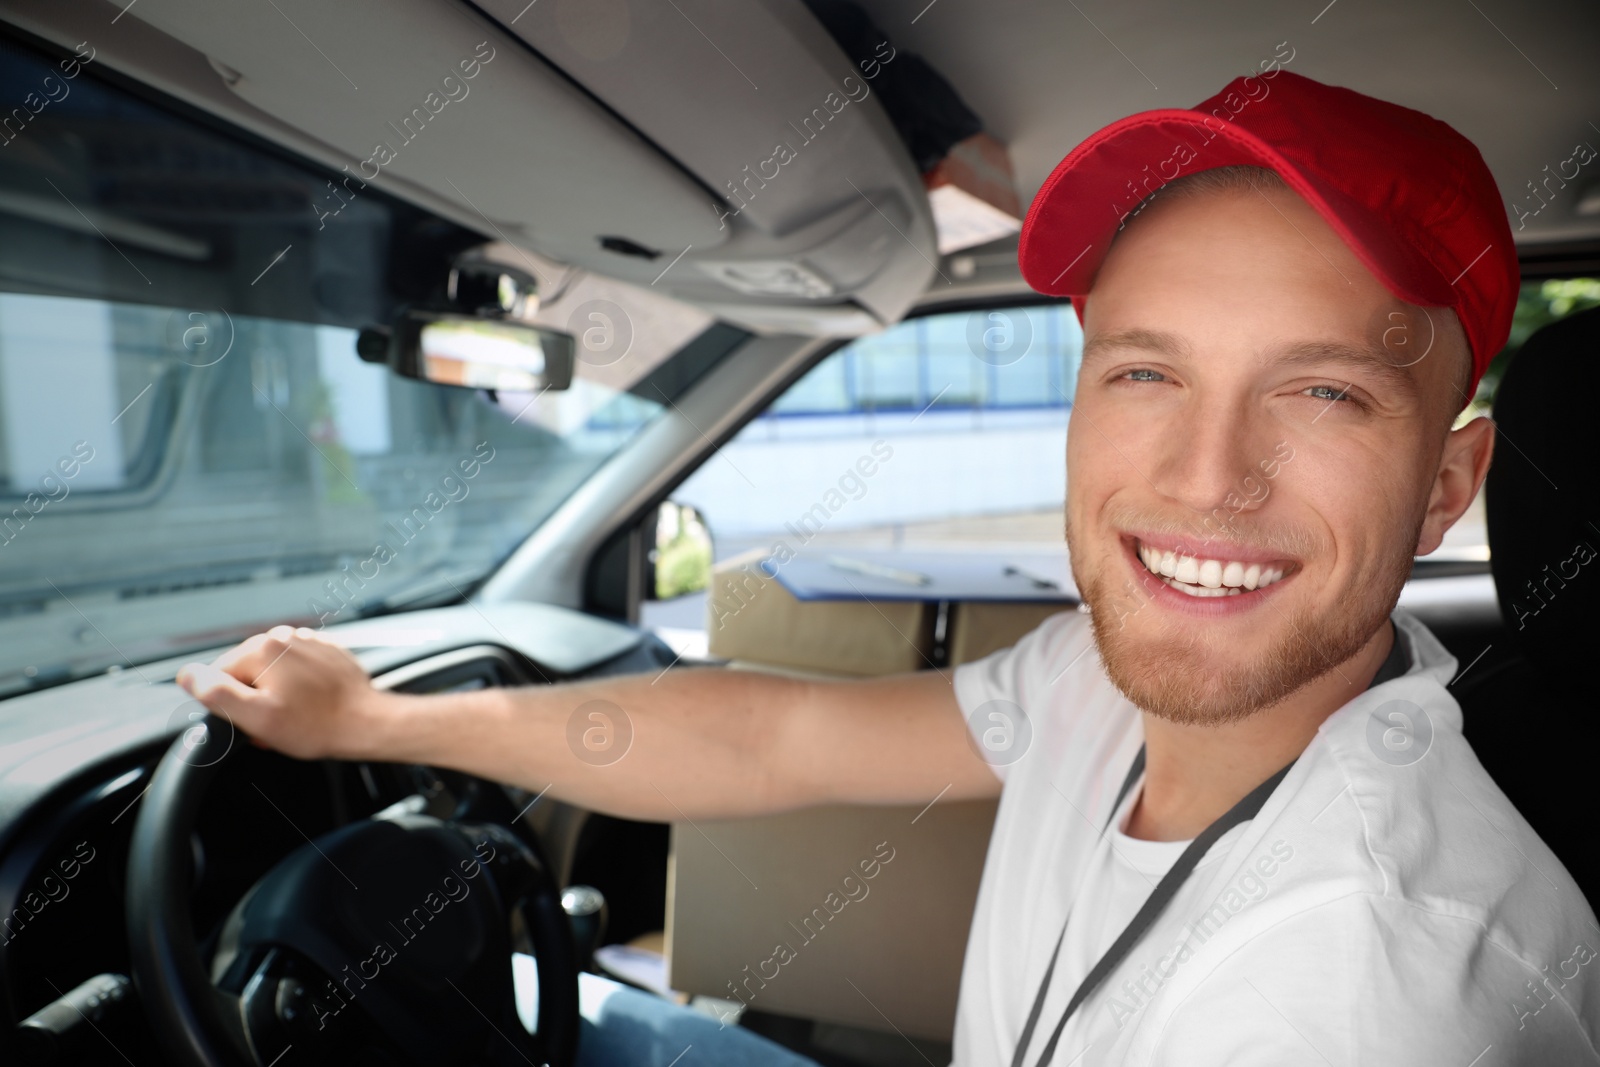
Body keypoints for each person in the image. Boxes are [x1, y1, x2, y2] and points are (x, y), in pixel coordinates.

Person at [178, 71, 1600, 1066]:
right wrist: (373, 720)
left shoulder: (1376, 990)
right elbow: (768, 733)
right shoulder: (1099, 688)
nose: (1204, 477)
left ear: (1448, 487)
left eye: (1325, 394)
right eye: (1148, 371)